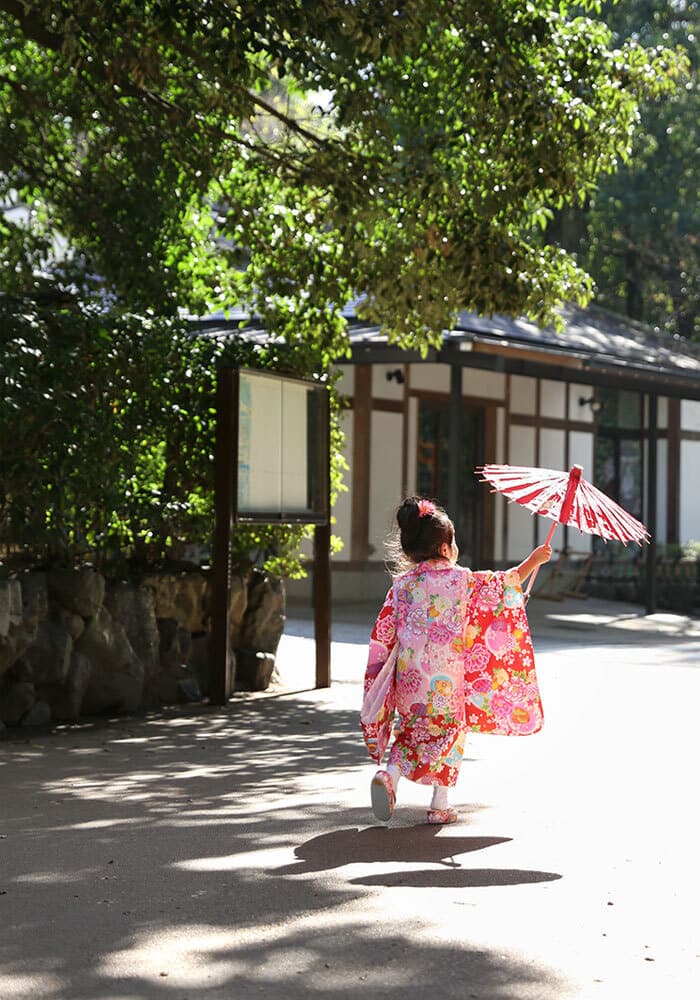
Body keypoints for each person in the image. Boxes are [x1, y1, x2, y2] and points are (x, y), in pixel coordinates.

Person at [361, 495, 552, 825]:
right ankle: (440, 805)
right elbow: (505, 583)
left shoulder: (401, 586)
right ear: (445, 547)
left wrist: (382, 673)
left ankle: (390, 776)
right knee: (451, 734)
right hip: (448, 683)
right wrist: (534, 560)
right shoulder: (462, 580)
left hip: (410, 681)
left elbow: (384, 632)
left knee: (409, 733)